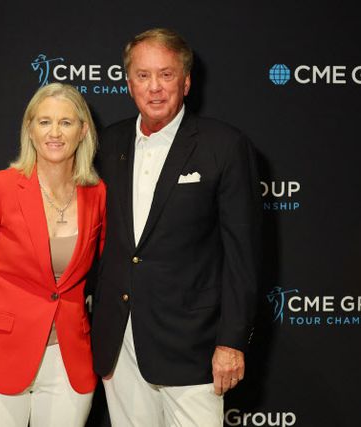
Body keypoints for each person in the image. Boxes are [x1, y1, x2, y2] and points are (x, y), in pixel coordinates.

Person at [91, 28, 260, 426]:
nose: (154, 87)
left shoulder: (224, 145)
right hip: (120, 343)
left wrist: (231, 342)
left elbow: (243, 255)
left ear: (185, 82)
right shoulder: (107, 144)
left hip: (194, 344)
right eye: (143, 75)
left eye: (166, 75)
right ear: (128, 82)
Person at [0, 83, 105, 427]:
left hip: (68, 360)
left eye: (66, 122)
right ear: (30, 129)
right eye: (44, 122)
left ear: (83, 131)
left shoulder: (97, 193)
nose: (54, 133)